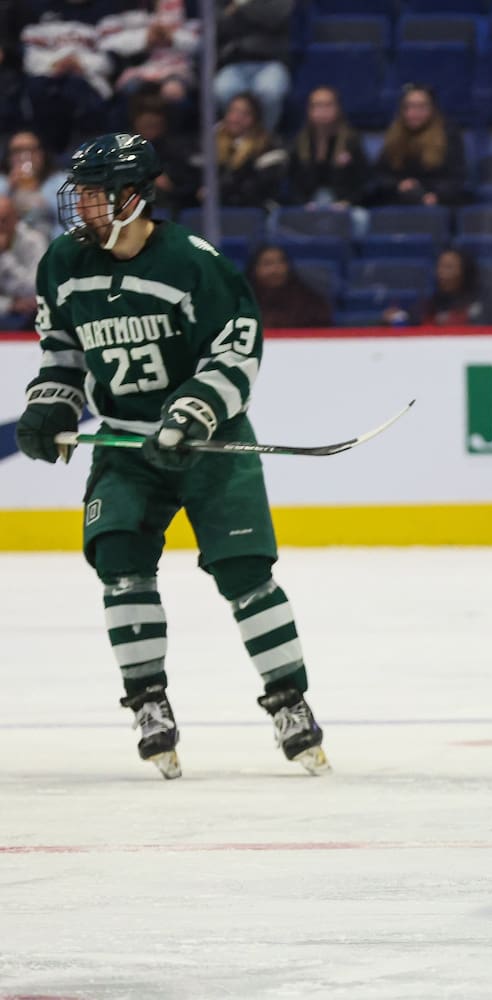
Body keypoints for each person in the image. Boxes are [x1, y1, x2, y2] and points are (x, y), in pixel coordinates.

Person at [12, 133, 328, 780]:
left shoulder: (193, 263)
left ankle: (289, 701)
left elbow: (236, 353)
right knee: (121, 566)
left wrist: (191, 411)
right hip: (126, 447)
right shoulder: (63, 264)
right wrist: (50, 405)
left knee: (246, 574)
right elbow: (62, 353)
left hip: (211, 443)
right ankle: (149, 704)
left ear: (134, 197)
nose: (84, 207)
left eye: (97, 195)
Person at [371, 84, 467, 208]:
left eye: (421, 106)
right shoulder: (394, 136)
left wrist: (435, 195)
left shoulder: (448, 134)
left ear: (432, 109)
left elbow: (456, 178)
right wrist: (399, 185)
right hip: (400, 200)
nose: (414, 112)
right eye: (408, 106)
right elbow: (379, 175)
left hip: (438, 202)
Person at [212, 0, 292, 133]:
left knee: (269, 91)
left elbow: (274, 18)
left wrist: (240, 5)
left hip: (271, 62)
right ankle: (236, 139)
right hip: (234, 63)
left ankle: (263, 140)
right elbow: (219, 25)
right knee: (223, 89)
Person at [288, 86, 371, 211]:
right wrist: (303, 204)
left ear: (338, 108)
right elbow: (290, 183)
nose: (323, 110)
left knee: (360, 217)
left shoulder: (352, 141)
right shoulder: (298, 142)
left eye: (328, 105)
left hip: (345, 207)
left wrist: (347, 202)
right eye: (317, 105)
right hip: (306, 208)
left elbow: (365, 182)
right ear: (309, 110)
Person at [211, 92, 287, 209]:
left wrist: (219, 190)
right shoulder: (211, 144)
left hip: (252, 212)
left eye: (244, 114)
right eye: (232, 111)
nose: (235, 118)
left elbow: (257, 190)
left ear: (255, 119)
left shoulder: (268, 148)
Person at [247, 244, 331, 328]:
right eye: (267, 263)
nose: (275, 269)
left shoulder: (309, 302)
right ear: (254, 269)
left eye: (281, 262)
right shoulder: (242, 301)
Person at [0, 129, 66, 235]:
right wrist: (9, 187)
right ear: (8, 157)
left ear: (42, 154)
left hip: (49, 242)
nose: (25, 156)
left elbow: (67, 222)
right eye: (17, 151)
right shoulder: (3, 183)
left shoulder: (59, 182)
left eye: (31, 150)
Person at [0, 192, 46, 327]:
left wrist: (4, 256)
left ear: (15, 219)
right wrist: (10, 305)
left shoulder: (34, 241)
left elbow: (36, 287)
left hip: (29, 314)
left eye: (3, 220)